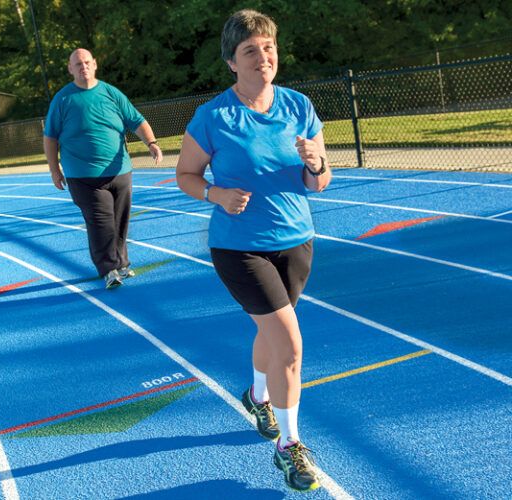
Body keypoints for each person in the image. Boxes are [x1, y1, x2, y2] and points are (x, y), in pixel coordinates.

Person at [175, 10, 331, 492]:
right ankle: (289, 448)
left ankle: (257, 397)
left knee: (271, 333)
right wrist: (215, 195)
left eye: (269, 48)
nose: (263, 57)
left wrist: (315, 163)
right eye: (251, 51)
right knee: (289, 344)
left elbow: (320, 182)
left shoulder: (299, 105)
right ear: (231, 61)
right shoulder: (214, 116)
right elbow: (186, 175)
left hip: (296, 241)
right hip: (240, 248)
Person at [43, 48, 163, 289]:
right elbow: (50, 137)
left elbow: (136, 120)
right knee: (101, 221)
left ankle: (122, 263)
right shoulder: (63, 99)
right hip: (83, 176)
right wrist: (55, 169)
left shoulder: (111, 93)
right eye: (77, 64)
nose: (83, 67)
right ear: (70, 69)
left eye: (87, 62)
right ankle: (108, 269)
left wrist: (152, 143)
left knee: (119, 220)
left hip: (120, 171)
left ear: (95, 64)